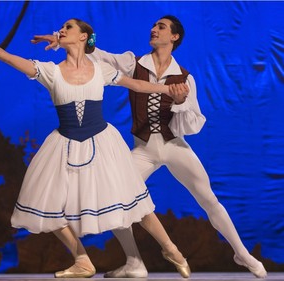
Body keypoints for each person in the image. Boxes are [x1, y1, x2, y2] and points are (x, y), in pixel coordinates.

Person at [0, 18, 191, 278]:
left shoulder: (100, 69)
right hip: (65, 145)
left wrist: (167, 89)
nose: (62, 30)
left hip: (102, 143)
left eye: (68, 27)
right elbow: (6, 57)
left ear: (83, 37)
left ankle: (171, 250)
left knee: (133, 200)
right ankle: (82, 260)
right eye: (61, 28)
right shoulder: (50, 71)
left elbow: (138, 85)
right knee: (45, 203)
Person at [33, 15, 268, 279]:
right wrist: (63, 41)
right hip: (144, 149)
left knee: (208, 198)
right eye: (154, 26)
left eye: (161, 27)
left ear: (174, 37)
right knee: (116, 199)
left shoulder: (184, 78)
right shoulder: (133, 63)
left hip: (174, 145)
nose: (154, 29)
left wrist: (179, 102)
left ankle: (242, 254)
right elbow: (97, 53)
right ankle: (134, 261)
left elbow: (193, 125)